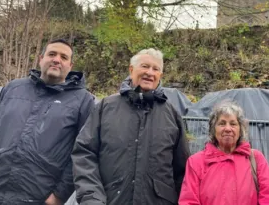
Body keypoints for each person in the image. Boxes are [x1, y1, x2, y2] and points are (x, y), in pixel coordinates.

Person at [0, 39, 95, 205]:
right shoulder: (13, 89)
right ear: (41, 58)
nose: (57, 59)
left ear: (70, 66)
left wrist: (58, 196)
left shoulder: (83, 101)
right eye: (52, 54)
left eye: (64, 57)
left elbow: (83, 152)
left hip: (38, 199)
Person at [72, 48, 190, 205]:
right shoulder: (106, 107)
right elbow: (84, 154)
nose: (150, 72)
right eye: (145, 66)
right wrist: (91, 197)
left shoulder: (171, 115)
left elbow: (183, 170)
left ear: (160, 76)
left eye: (156, 69)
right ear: (131, 69)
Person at [179, 101, 269, 205]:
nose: (228, 129)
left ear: (240, 129)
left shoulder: (256, 158)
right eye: (222, 123)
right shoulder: (196, 162)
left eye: (233, 124)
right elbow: (189, 201)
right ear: (213, 129)